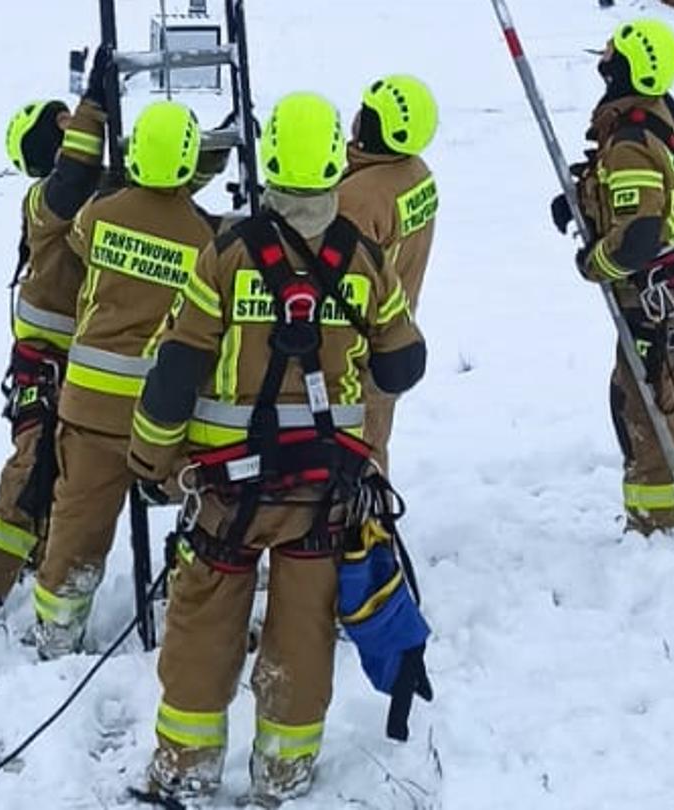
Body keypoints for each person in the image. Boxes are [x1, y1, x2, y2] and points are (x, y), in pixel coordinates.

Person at [125, 92, 427, 803]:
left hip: (226, 492)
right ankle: (284, 772)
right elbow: (401, 365)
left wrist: (149, 459)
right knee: (303, 634)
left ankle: (186, 769)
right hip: (322, 495)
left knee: (203, 626)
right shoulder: (363, 259)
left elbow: (176, 370)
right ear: (332, 162)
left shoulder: (227, 254)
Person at [28, 100, 220, 658]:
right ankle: (198, 617)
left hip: (88, 406)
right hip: (159, 417)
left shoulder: (98, 215)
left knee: (78, 526)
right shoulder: (205, 239)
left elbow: (80, 246)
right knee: (207, 510)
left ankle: (57, 634)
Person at [555, 19, 674, 536]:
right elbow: (642, 194)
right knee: (670, 386)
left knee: (644, 400)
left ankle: (657, 526)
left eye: (612, 56)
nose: (603, 62)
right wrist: (581, 199)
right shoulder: (657, 114)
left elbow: (639, 238)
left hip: (654, 296)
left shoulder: (630, 139)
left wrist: (594, 263)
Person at [0, 51, 114, 615]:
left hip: (82, 359)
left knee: (65, 475)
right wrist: (93, 104)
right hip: (46, 360)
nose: (71, 126)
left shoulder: (100, 191)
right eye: (62, 123)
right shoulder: (50, 198)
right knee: (32, 471)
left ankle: (40, 558)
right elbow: (74, 176)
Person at [336, 74, 440, 471]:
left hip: (355, 351)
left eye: (366, 111)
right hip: (393, 335)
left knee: (351, 458)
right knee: (373, 445)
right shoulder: (416, 172)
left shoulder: (359, 200)